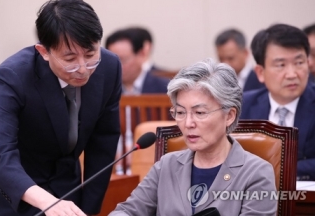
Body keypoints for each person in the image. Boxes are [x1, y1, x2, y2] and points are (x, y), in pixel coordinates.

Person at [0, 0, 121, 216]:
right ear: (43, 52)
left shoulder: (110, 67)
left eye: (90, 54)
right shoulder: (13, 76)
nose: (83, 68)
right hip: (10, 188)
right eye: (69, 59)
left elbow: (104, 143)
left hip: (65, 181)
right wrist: (47, 201)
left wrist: (89, 209)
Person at [109, 59, 277, 216]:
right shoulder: (166, 166)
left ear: (229, 116)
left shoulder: (256, 173)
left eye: (200, 113)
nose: (188, 123)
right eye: (180, 112)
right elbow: (129, 210)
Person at [240, 23, 315, 181]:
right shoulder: (243, 106)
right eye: (281, 65)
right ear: (261, 73)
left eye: (299, 63)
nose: (291, 74)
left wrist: (272, 171)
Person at [105, 27, 169, 95]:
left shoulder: (165, 88)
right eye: (112, 61)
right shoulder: (105, 89)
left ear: (141, 55)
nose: (117, 66)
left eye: (123, 60)